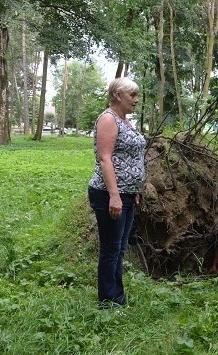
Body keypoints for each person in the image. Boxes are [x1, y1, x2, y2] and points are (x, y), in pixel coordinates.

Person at [88, 77, 146, 306]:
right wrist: (114, 195)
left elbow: (132, 157)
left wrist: (134, 189)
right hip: (109, 194)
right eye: (132, 95)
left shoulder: (126, 121)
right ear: (118, 96)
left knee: (120, 248)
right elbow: (105, 159)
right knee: (111, 250)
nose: (136, 100)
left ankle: (117, 296)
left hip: (128, 194)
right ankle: (108, 300)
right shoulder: (108, 119)